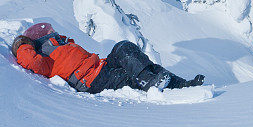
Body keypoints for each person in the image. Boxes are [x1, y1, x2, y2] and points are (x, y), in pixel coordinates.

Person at [11, 22, 204, 94]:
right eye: (46, 34)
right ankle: (150, 82)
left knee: (123, 47)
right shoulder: (41, 57)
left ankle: (181, 84)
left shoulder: (60, 45)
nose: (51, 34)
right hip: (92, 81)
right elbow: (30, 62)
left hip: (100, 68)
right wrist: (23, 43)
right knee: (131, 76)